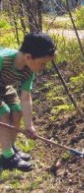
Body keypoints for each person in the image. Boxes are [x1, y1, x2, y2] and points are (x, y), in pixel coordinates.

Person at [0, 32, 56, 171]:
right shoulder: (3, 59)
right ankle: (8, 157)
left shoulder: (28, 70)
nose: (43, 68)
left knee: (17, 111)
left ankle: (10, 148)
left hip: (4, 87)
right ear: (28, 57)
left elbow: (25, 98)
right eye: (42, 64)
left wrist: (29, 125)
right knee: (4, 112)